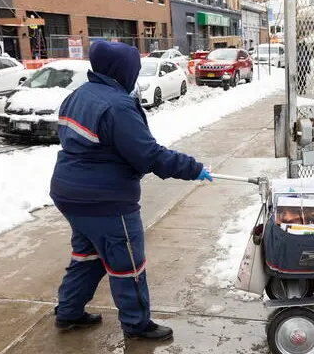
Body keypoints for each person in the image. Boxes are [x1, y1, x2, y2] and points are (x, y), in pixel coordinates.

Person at [50, 41, 213, 341]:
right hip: (106, 200)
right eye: (133, 71)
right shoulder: (117, 105)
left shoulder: (78, 96)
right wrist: (192, 168)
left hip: (68, 193)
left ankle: (69, 311)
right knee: (127, 263)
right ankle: (138, 324)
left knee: (87, 256)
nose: (135, 78)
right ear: (122, 71)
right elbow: (147, 154)